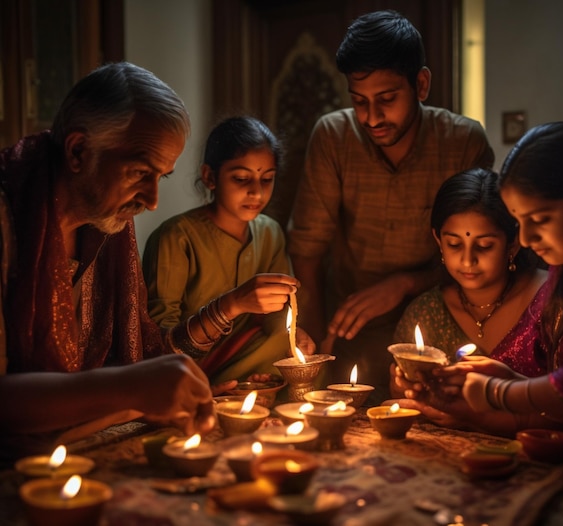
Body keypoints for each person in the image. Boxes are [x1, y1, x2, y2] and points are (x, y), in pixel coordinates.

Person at [0, 62, 230, 459]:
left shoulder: (107, 224)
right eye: (140, 171)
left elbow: (141, 354)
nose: (153, 199)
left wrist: (170, 383)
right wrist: (129, 388)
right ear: (78, 151)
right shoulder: (8, 218)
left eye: (162, 177)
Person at [287, 9, 494, 401]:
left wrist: (403, 285)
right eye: (359, 101)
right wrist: (316, 355)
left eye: (386, 99)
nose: (372, 116)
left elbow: (479, 252)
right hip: (350, 325)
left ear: (421, 83)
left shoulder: (461, 142)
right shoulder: (333, 136)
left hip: (443, 318)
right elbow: (307, 254)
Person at [402, 122, 563, 470]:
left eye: (540, 218)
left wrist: (493, 391)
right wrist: (512, 381)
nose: (524, 240)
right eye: (520, 221)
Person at [143, 116, 315, 386]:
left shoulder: (270, 233)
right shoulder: (176, 237)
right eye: (241, 178)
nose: (256, 192)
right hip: (188, 368)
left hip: (250, 354)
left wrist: (293, 333)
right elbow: (157, 344)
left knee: (305, 362)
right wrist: (232, 305)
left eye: (267, 179)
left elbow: (280, 313)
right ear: (210, 177)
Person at [392, 167, 548, 381]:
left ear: (513, 244)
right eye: (454, 244)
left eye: (484, 246)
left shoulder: (552, 301)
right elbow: (400, 390)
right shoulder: (427, 313)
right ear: (439, 240)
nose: (467, 260)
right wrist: (405, 387)